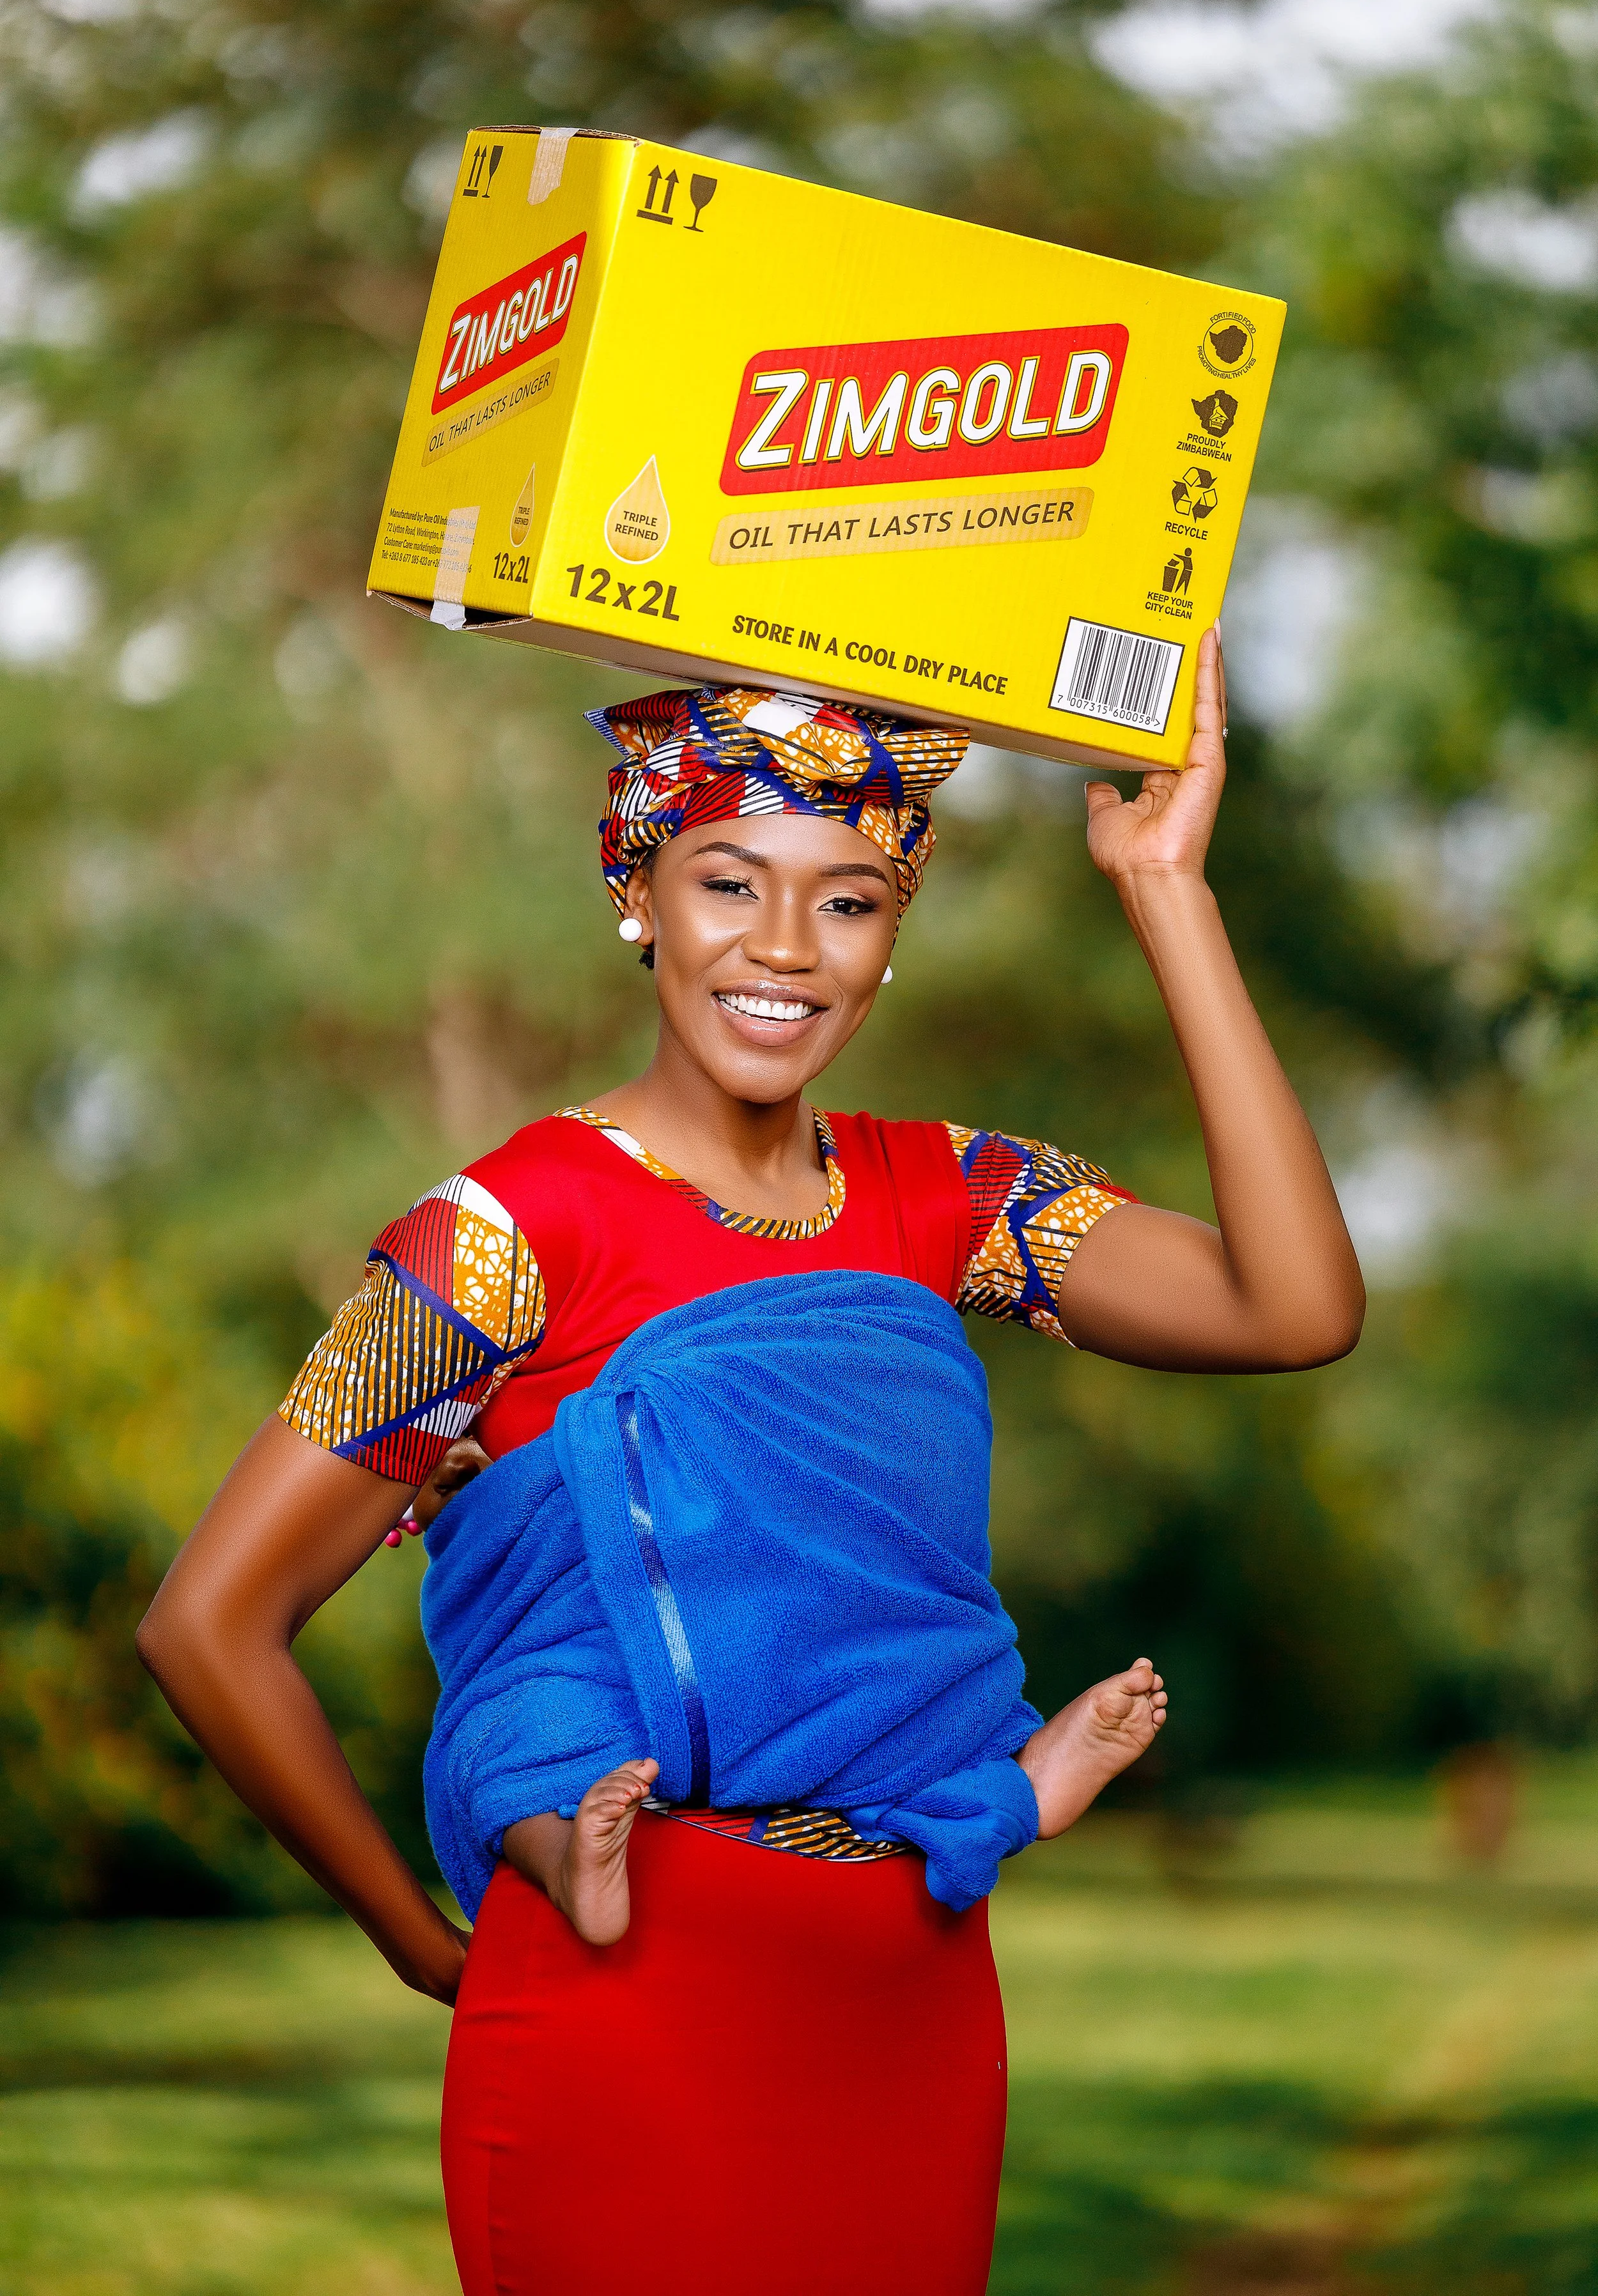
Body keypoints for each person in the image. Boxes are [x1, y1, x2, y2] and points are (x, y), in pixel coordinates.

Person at [136, 629, 1363, 2296]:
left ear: (890, 934)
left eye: (845, 899)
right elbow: (211, 1623)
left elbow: (1287, 1307)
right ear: (637, 888)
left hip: (907, 2001)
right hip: (615, 2011)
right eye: (728, 882)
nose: (782, 947)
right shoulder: (495, 1239)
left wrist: (1165, 887)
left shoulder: (949, 1197)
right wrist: (427, 1943)